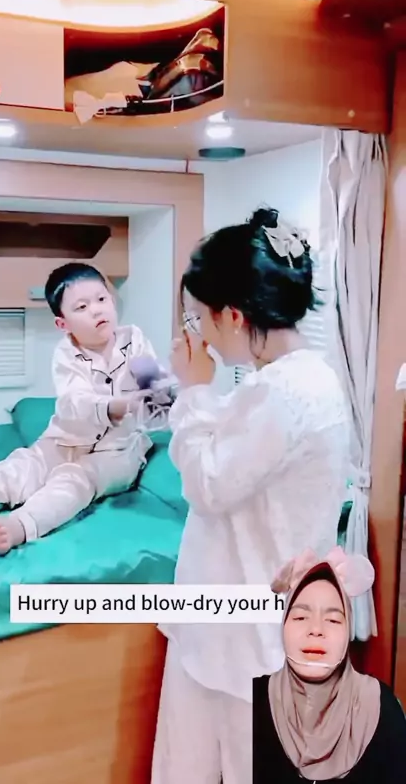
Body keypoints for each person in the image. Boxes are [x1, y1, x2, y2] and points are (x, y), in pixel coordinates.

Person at [151, 207, 351, 784]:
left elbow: (210, 484)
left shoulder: (281, 392)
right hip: (228, 621)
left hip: (246, 634)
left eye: (200, 319)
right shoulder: (303, 380)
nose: (200, 335)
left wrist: (193, 392)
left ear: (234, 317)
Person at [0, 263, 168, 554]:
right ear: (63, 324)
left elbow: (153, 386)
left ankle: (19, 526)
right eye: (82, 307)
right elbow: (75, 403)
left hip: (117, 452)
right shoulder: (66, 355)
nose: (96, 310)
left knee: (73, 483)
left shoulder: (134, 341)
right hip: (62, 441)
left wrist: (161, 392)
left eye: (101, 299)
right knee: (10, 473)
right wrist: (115, 405)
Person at [253, 546, 406, 781]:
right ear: (283, 626)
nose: (316, 629)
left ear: (348, 631)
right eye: (300, 617)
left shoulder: (381, 709)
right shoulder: (251, 704)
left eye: (333, 620)